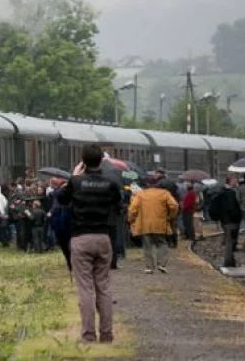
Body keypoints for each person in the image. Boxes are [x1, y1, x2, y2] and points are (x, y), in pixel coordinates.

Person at [57, 145, 123, 344]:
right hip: (103, 238)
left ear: (83, 161)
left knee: (86, 288)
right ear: (101, 160)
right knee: (103, 286)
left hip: (81, 237)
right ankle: (107, 334)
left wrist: (74, 176)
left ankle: (88, 335)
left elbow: (61, 199)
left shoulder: (76, 183)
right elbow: (119, 203)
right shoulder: (110, 184)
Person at [128, 175, 179, 274]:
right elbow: (174, 205)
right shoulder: (164, 193)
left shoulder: (141, 194)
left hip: (145, 224)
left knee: (147, 246)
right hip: (160, 223)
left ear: (146, 184)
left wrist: (131, 219)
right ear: (157, 183)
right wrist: (171, 216)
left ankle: (149, 267)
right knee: (162, 243)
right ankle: (161, 264)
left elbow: (132, 209)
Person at [209, 176, 243, 268]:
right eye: (235, 180)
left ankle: (231, 260)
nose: (236, 182)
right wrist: (238, 216)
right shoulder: (230, 193)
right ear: (230, 181)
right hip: (230, 220)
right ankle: (228, 262)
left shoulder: (221, 192)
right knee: (229, 241)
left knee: (230, 240)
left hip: (225, 220)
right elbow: (232, 208)